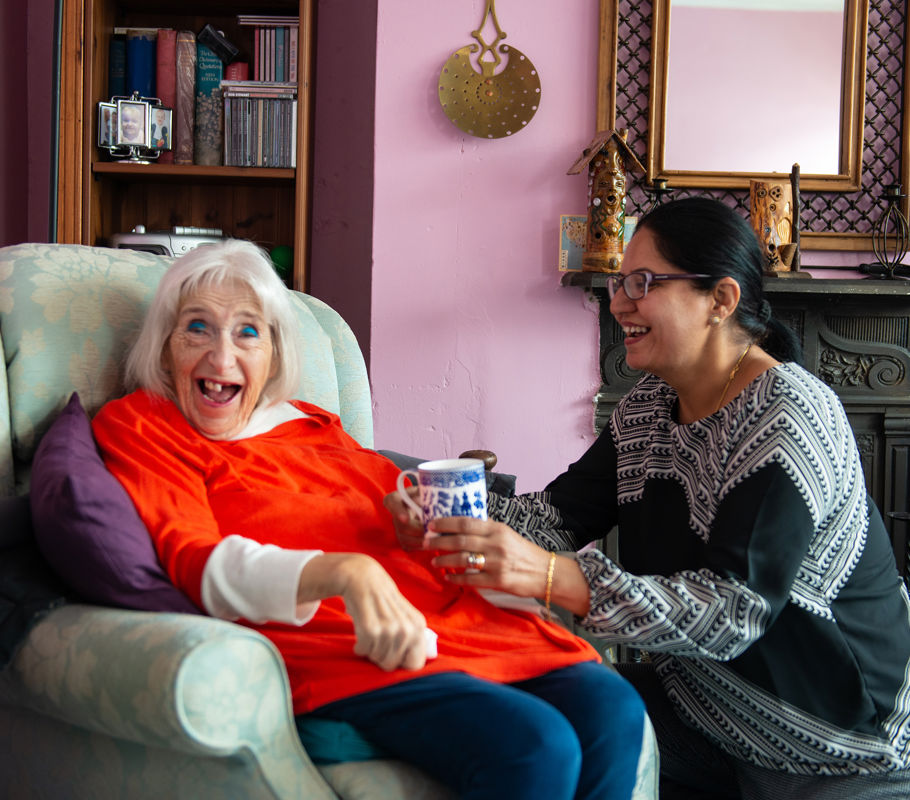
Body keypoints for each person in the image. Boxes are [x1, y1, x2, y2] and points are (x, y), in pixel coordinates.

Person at [388, 198, 910, 799]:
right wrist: (442, 515)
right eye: (618, 281)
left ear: (721, 300)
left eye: (643, 282)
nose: (618, 302)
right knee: (525, 713)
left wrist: (552, 577)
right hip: (705, 710)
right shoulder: (648, 407)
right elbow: (556, 517)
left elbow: (733, 611)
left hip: (841, 748)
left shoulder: (786, 418)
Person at [90, 238, 647, 800]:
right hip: (344, 645)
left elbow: (390, 504)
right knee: (538, 745)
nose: (222, 357)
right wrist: (344, 572)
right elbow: (194, 559)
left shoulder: (311, 423)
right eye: (197, 328)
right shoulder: (145, 426)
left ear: (274, 355)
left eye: (247, 332)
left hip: (446, 620)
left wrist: (411, 518)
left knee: (614, 707)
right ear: (164, 349)